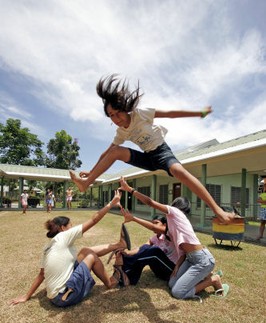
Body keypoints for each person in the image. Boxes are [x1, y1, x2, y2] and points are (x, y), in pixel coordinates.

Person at [70, 74, 234, 224]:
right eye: (111, 116)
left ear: (124, 108)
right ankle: (85, 184)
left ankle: (217, 210)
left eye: (117, 113)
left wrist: (198, 113)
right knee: (114, 151)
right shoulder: (121, 132)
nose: (115, 119)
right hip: (147, 157)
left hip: (162, 153)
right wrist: (91, 173)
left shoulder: (141, 114)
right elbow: (106, 154)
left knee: (181, 172)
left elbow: (170, 113)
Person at [10, 190, 129, 308]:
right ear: (62, 228)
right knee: (91, 257)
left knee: (85, 251)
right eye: (70, 225)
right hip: (64, 297)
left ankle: (119, 245)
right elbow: (94, 220)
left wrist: (27, 296)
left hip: (54, 298)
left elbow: (41, 274)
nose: (72, 227)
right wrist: (112, 203)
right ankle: (110, 283)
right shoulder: (64, 236)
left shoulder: (48, 246)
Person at [119, 177, 229, 300]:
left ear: (176, 205)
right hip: (189, 259)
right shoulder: (174, 225)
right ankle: (204, 277)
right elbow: (182, 252)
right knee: (171, 283)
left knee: (178, 292)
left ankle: (213, 280)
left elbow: (150, 202)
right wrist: (177, 267)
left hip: (201, 259)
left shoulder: (175, 213)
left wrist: (130, 190)